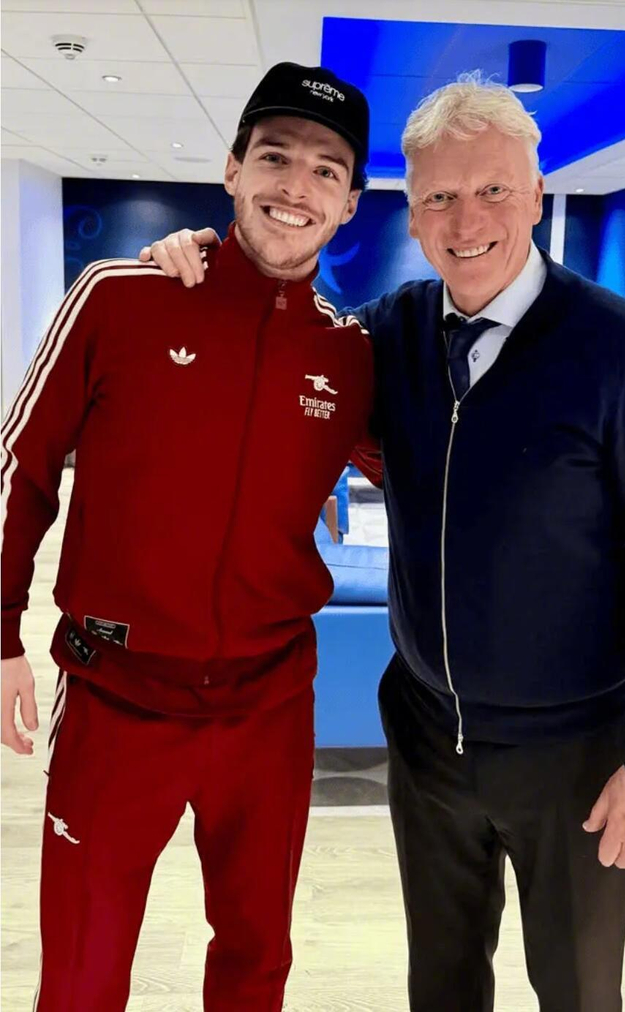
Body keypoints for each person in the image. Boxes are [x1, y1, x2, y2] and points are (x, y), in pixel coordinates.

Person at [142, 72, 625, 1012]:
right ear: (410, 213)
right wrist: (203, 267)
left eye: (492, 189)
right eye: (438, 195)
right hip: (427, 738)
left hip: (579, 754)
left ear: (535, 194)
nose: (465, 219)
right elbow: (274, 356)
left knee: (577, 992)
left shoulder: (620, 350)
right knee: (440, 986)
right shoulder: (390, 335)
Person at [1, 62, 381, 1012]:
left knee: (257, 962)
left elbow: (440, 477)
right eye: (275, 157)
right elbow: (21, 467)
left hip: (269, 708)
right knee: (82, 973)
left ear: (350, 205)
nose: (296, 186)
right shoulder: (121, 297)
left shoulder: (349, 355)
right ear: (232, 169)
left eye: (326, 170)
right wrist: (2, 632)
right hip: (115, 696)